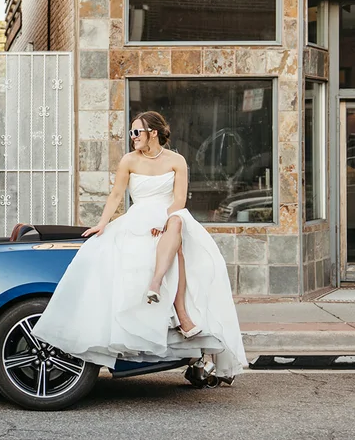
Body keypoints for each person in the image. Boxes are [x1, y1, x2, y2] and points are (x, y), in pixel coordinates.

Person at [30, 111, 246, 381]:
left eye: (136, 132)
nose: (132, 137)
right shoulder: (129, 161)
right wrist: (102, 223)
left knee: (178, 227)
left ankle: (157, 286)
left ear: (152, 133)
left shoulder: (177, 161)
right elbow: (116, 195)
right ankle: (178, 316)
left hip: (170, 215)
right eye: (131, 133)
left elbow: (179, 199)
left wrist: (165, 220)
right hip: (138, 218)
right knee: (154, 246)